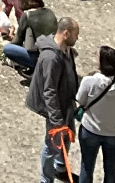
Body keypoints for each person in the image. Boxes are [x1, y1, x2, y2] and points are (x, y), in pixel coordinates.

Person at [27, 17, 81, 183]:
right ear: (66, 33)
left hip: (67, 102)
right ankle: (46, 179)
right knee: (52, 144)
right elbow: (49, 91)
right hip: (56, 107)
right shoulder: (51, 57)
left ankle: (60, 168)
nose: (77, 38)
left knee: (66, 138)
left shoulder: (66, 50)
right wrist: (57, 122)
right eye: (76, 34)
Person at [77, 45, 115, 183]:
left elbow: (80, 100)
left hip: (90, 131)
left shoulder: (89, 81)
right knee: (111, 170)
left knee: (86, 167)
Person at [2, 0, 57, 75]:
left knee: (7, 48)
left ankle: (33, 67)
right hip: (55, 55)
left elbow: (17, 42)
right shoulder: (49, 12)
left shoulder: (27, 16)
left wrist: (10, 37)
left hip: (41, 58)